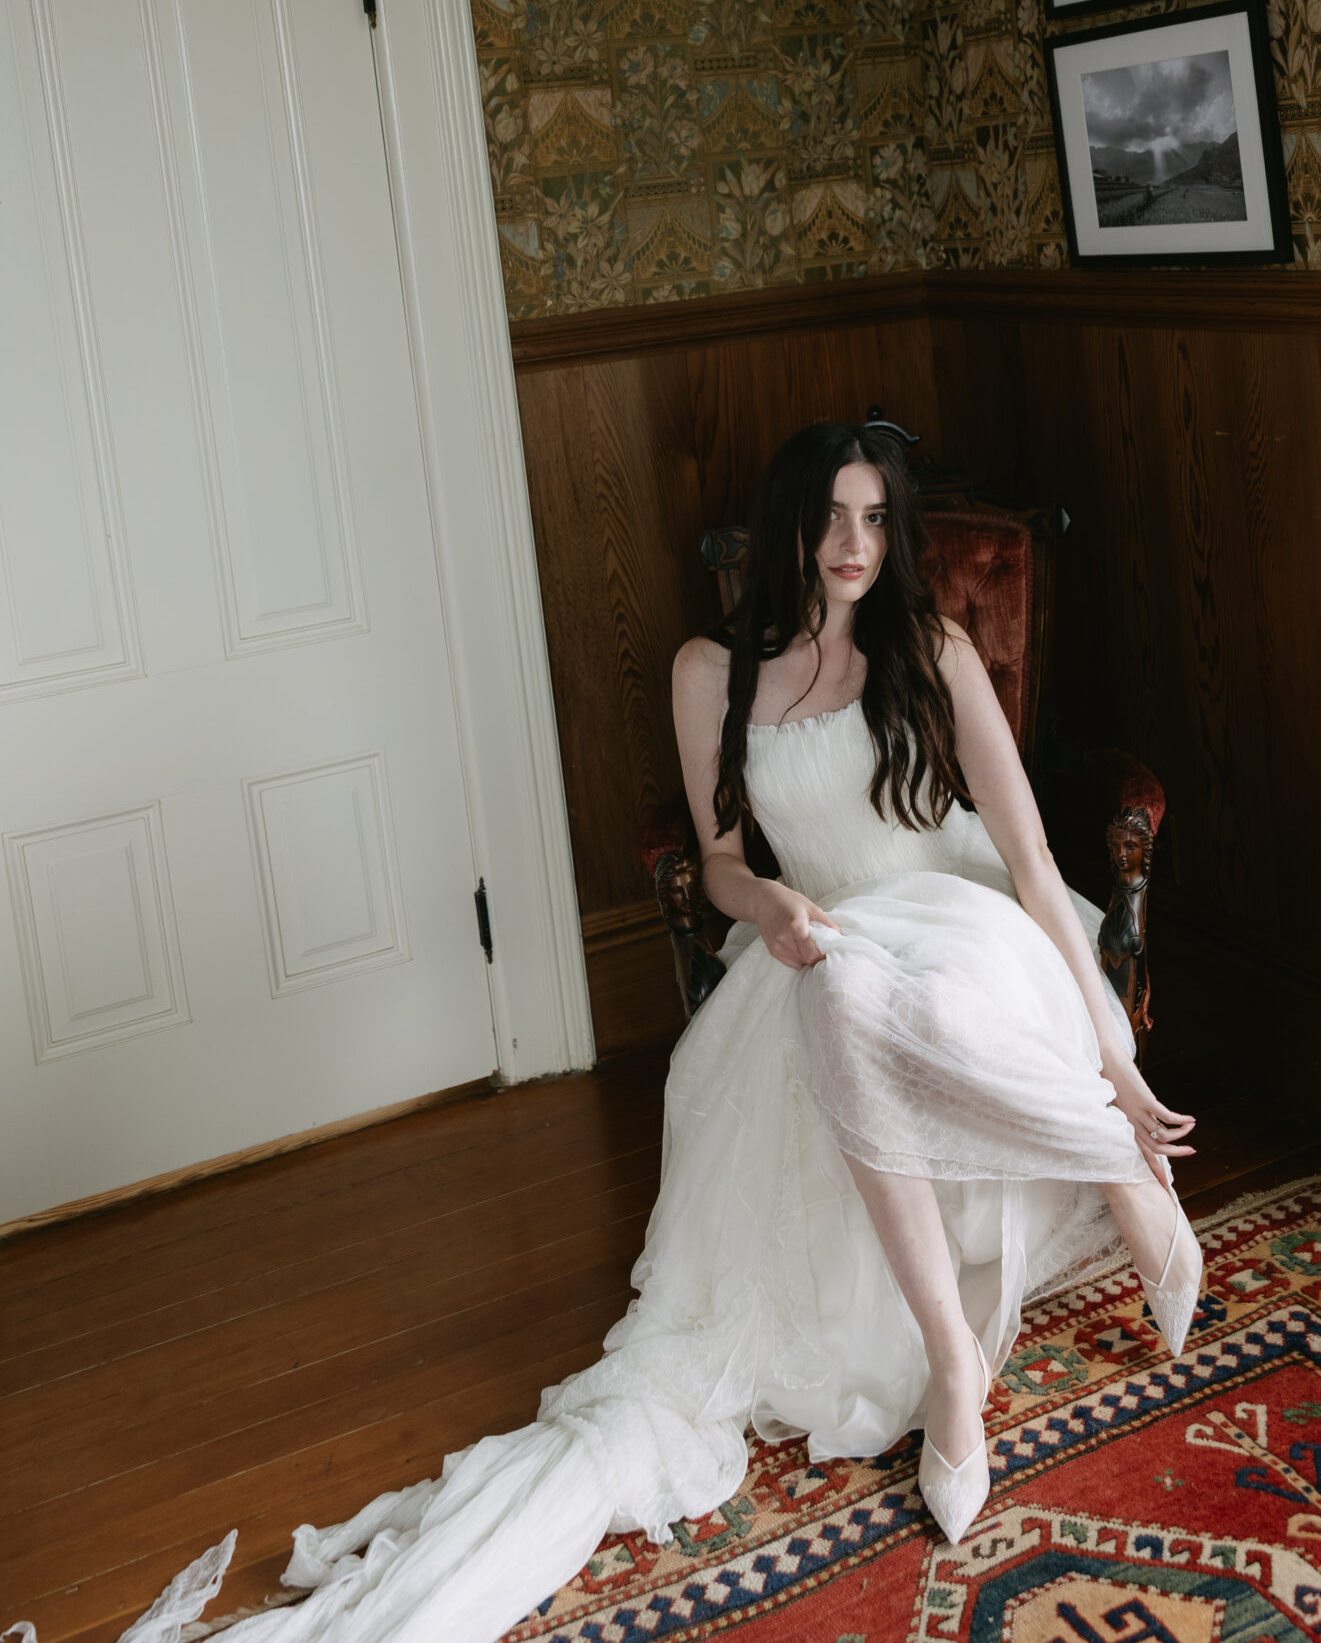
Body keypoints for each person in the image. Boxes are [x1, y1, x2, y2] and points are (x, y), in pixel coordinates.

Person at [124, 424, 1200, 1643]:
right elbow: (724, 861)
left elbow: (1025, 854)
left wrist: (1108, 1042)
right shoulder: (710, 670)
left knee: (898, 992)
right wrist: (772, 905)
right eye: (834, 516)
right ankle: (955, 1357)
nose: (855, 545)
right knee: (836, 990)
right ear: (791, 523)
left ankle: (1113, 1150)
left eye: (878, 520)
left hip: (959, 917)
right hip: (821, 935)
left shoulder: (933, 647)